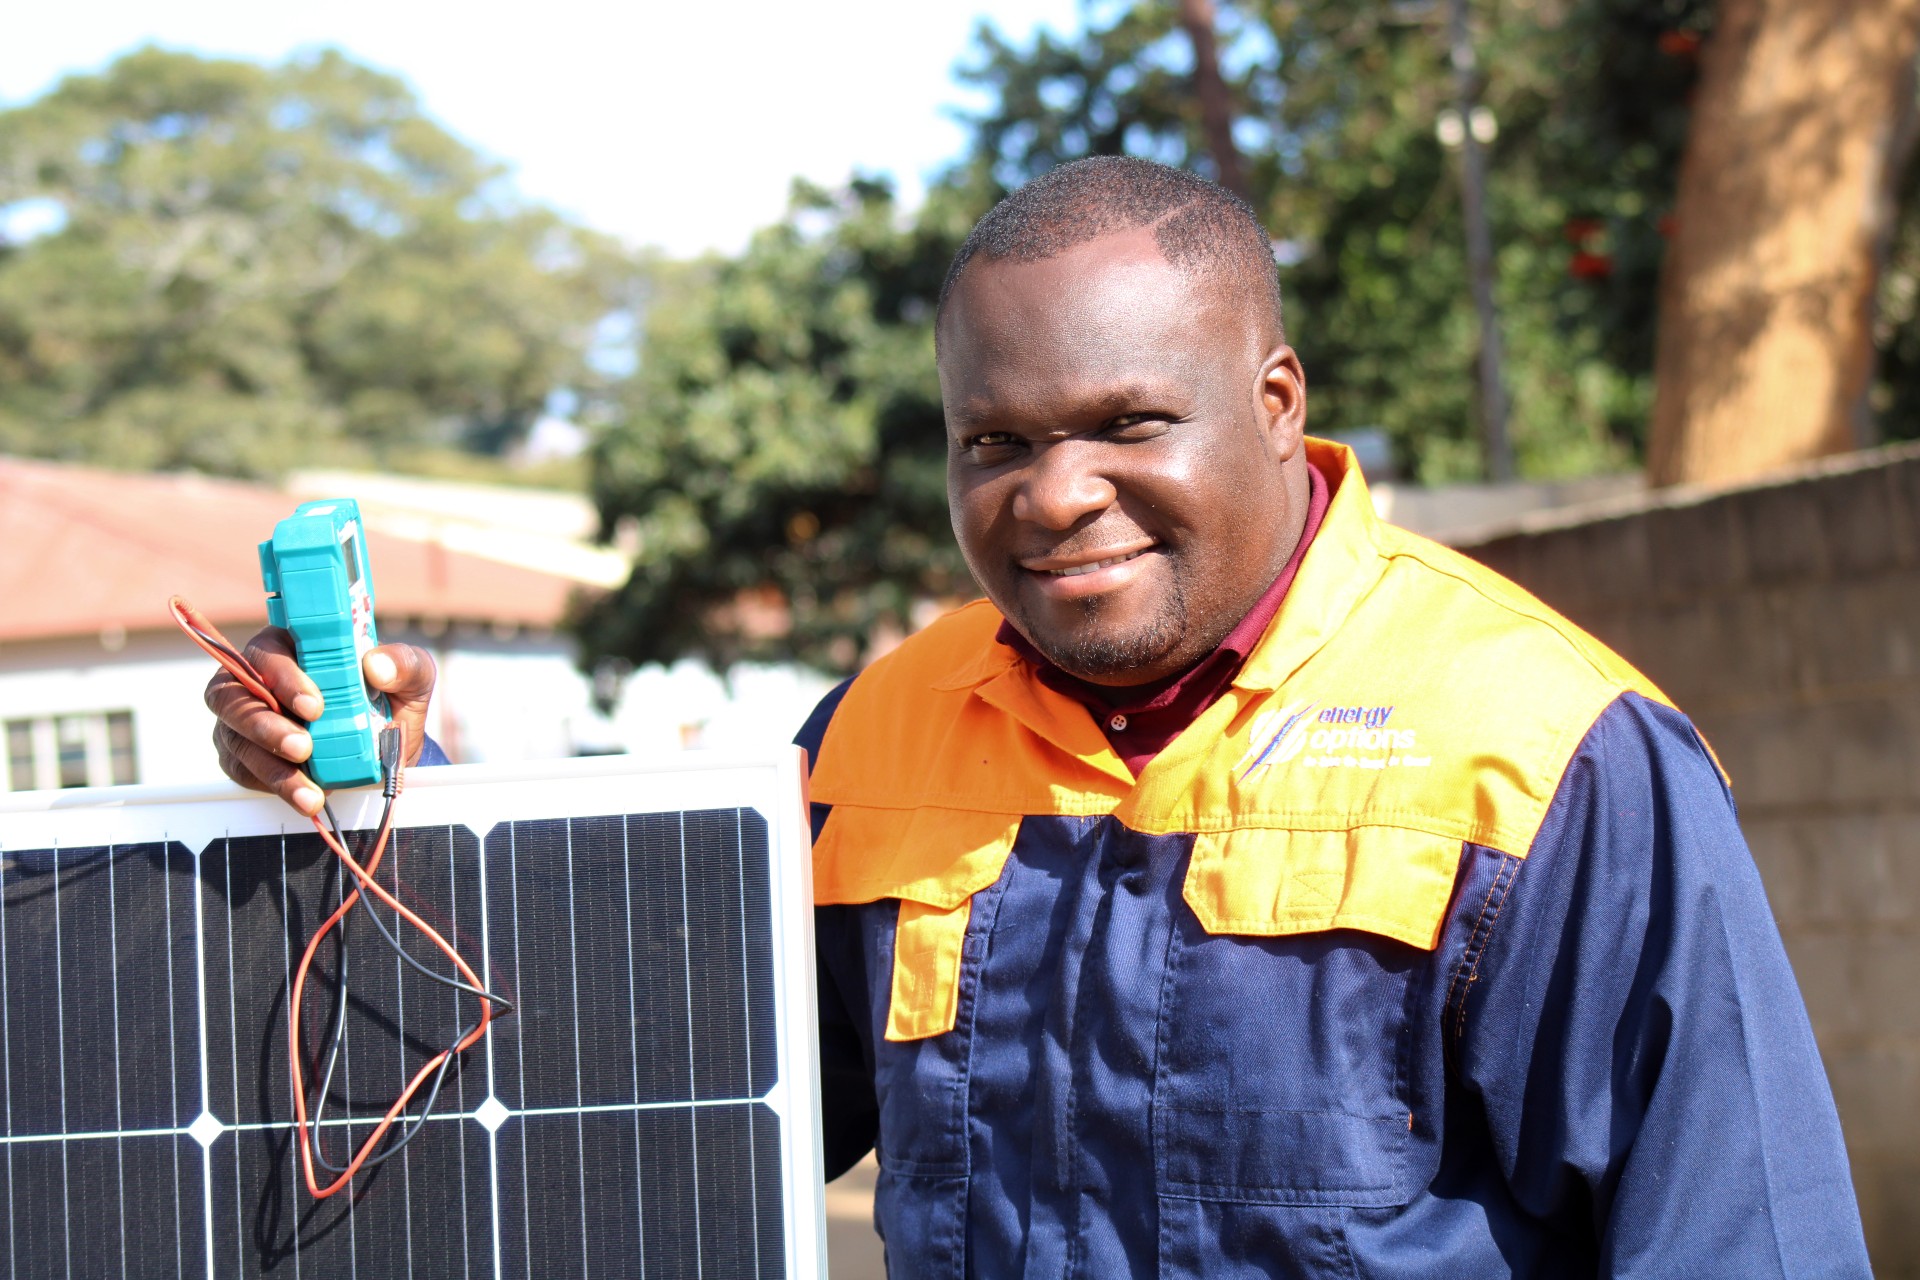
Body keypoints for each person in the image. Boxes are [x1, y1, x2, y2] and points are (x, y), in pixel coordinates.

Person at [209, 156, 1870, 1278]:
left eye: (1125, 422)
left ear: (1276, 403)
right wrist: (384, 807)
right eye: (992, 444)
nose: (1055, 496)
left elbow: (1744, 1234)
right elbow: (598, 1098)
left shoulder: (1549, 750)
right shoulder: (874, 740)